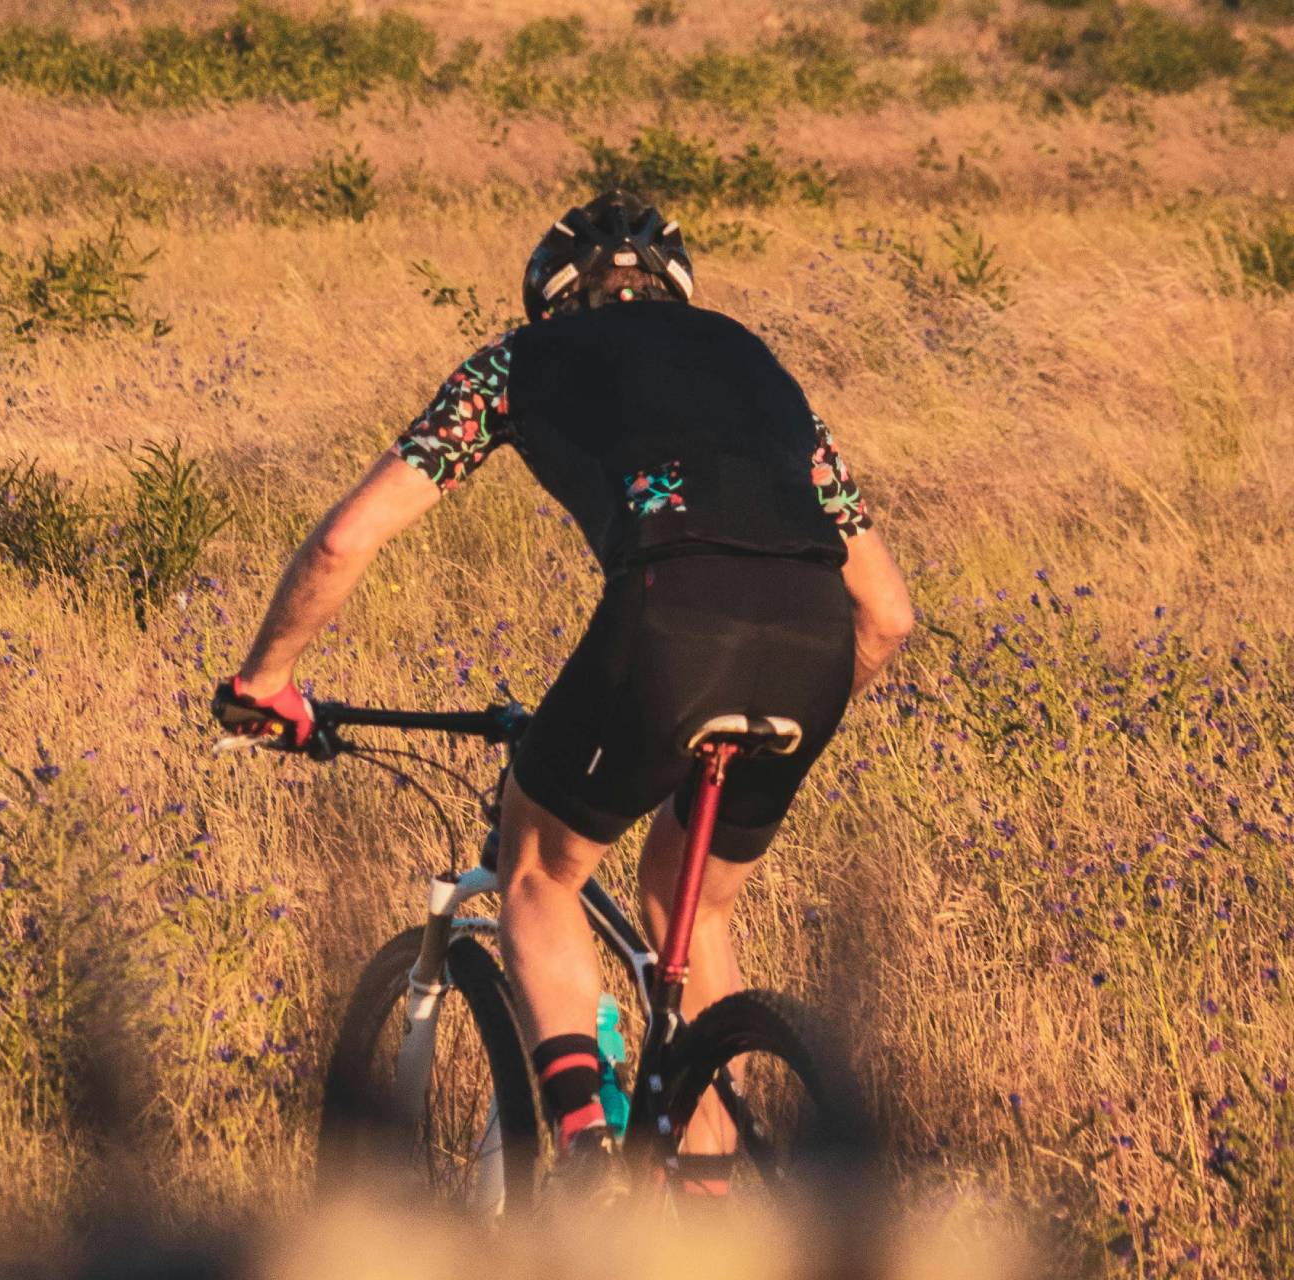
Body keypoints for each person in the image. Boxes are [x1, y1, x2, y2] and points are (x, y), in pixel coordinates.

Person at [213, 191, 914, 1179]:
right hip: (812, 647)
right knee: (692, 909)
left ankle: (586, 1160)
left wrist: (267, 679)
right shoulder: (762, 368)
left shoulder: (518, 361)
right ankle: (710, 1200)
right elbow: (887, 615)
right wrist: (785, 697)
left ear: (550, 297)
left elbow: (344, 537)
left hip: (669, 613)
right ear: (677, 291)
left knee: (541, 873)